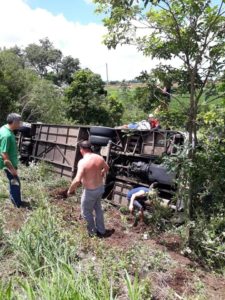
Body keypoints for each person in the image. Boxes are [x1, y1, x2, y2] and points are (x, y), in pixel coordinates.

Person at [67, 140, 110, 237]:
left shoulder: (83, 162)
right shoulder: (99, 158)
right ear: (90, 148)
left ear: (81, 150)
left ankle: (92, 233)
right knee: (98, 208)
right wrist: (102, 172)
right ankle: (101, 230)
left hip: (90, 191)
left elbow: (77, 180)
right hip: (100, 188)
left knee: (86, 212)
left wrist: (70, 190)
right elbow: (107, 168)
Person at [0, 113, 23, 208]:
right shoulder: (7, 135)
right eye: (19, 122)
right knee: (15, 182)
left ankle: (14, 200)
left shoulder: (5, 129)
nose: (20, 124)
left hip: (9, 163)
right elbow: (4, 155)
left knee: (14, 182)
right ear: (13, 122)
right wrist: (12, 169)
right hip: (8, 164)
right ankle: (17, 204)